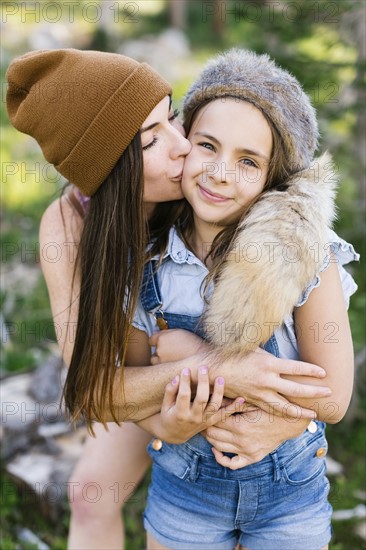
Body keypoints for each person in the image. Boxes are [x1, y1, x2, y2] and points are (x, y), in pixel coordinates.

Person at [6, 48, 335, 550]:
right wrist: (185, 401)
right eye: (152, 139)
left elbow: (293, 203)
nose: (183, 145)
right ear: (113, 171)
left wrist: (283, 415)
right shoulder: (72, 226)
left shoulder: (214, 183)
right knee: (91, 494)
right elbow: (93, 386)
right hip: (147, 379)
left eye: (172, 117)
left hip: (241, 401)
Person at [124, 49, 359, 549]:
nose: (221, 173)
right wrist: (173, 417)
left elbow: (334, 398)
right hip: (184, 490)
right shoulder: (148, 261)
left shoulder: (307, 256)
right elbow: (133, 381)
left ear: (274, 179)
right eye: (207, 146)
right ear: (184, 141)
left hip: (288, 493)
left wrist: (195, 355)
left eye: (248, 161)